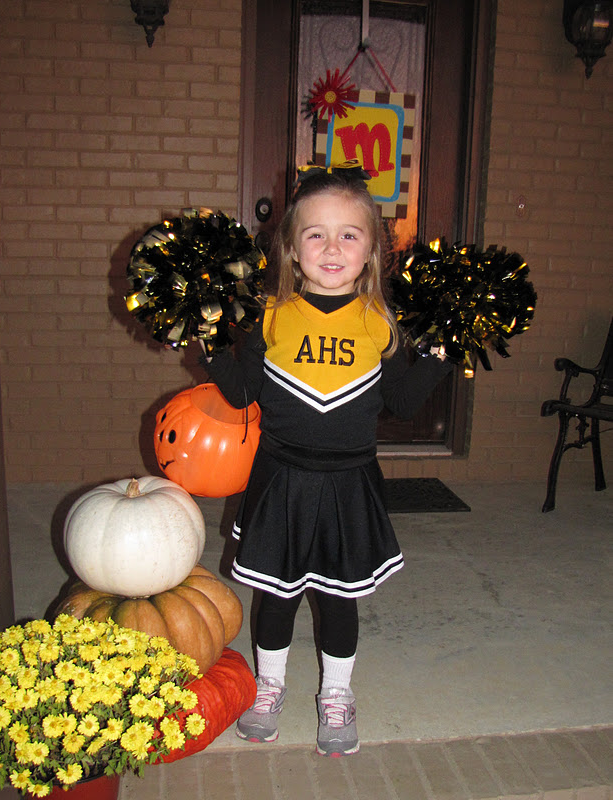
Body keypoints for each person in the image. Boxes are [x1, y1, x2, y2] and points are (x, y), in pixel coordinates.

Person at [200, 163, 453, 756]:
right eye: (316, 234)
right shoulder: (270, 316)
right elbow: (241, 392)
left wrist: (444, 352)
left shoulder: (380, 323)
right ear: (291, 247)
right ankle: (269, 686)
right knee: (276, 595)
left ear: (371, 251)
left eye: (349, 234)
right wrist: (203, 339)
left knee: (340, 597)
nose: (332, 247)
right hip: (280, 479)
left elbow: (401, 401)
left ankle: (336, 693)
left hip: (348, 482)